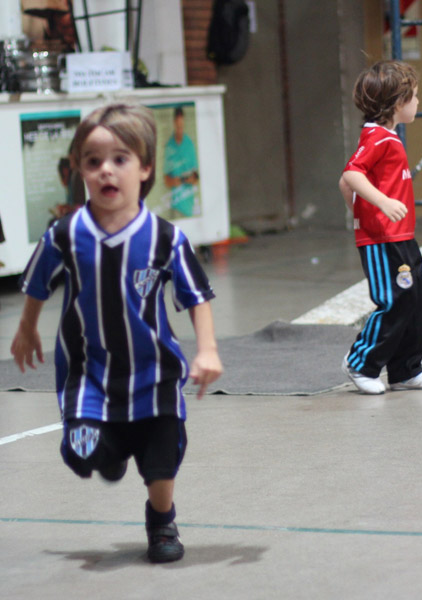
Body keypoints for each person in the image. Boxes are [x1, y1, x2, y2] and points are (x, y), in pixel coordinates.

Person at [10, 103, 223, 563]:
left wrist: (207, 349)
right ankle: (108, 451)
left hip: (155, 373)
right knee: (82, 454)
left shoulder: (166, 239)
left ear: (145, 168)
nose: (106, 169)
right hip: (90, 374)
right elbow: (37, 284)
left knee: (161, 461)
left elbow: (196, 297)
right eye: (93, 161)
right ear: (80, 170)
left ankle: (161, 521)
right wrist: (26, 329)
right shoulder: (64, 235)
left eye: (120, 159)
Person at [339, 60, 422, 395]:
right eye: (415, 96)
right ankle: (360, 363)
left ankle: (406, 369)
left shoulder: (388, 137)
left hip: (400, 236)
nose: (418, 102)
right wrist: (379, 206)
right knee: (394, 301)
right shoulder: (377, 138)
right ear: (398, 102)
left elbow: (346, 185)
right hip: (382, 240)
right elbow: (350, 175)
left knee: (413, 300)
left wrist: (362, 210)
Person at [163, 106, 200, 219]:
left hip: (190, 205)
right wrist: (178, 180)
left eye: (181, 126)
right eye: (178, 126)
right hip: (176, 205)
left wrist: (190, 179)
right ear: (174, 123)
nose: (180, 129)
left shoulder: (189, 144)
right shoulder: (169, 146)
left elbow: (196, 178)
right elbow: (167, 180)